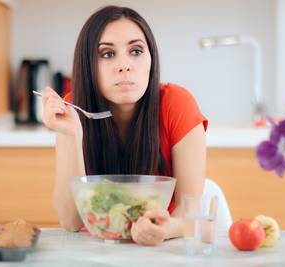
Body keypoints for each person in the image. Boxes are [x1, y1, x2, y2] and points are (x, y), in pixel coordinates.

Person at [41, 5, 207, 246]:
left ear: (151, 59)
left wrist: (164, 229)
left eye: (136, 50)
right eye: (107, 54)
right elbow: (71, 221)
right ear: (89, 66)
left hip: (161, 249)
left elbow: (191, 213)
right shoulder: (72, 109)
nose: (125, 65)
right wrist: (71, 134)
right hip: (94, 253)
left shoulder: (177, 104)